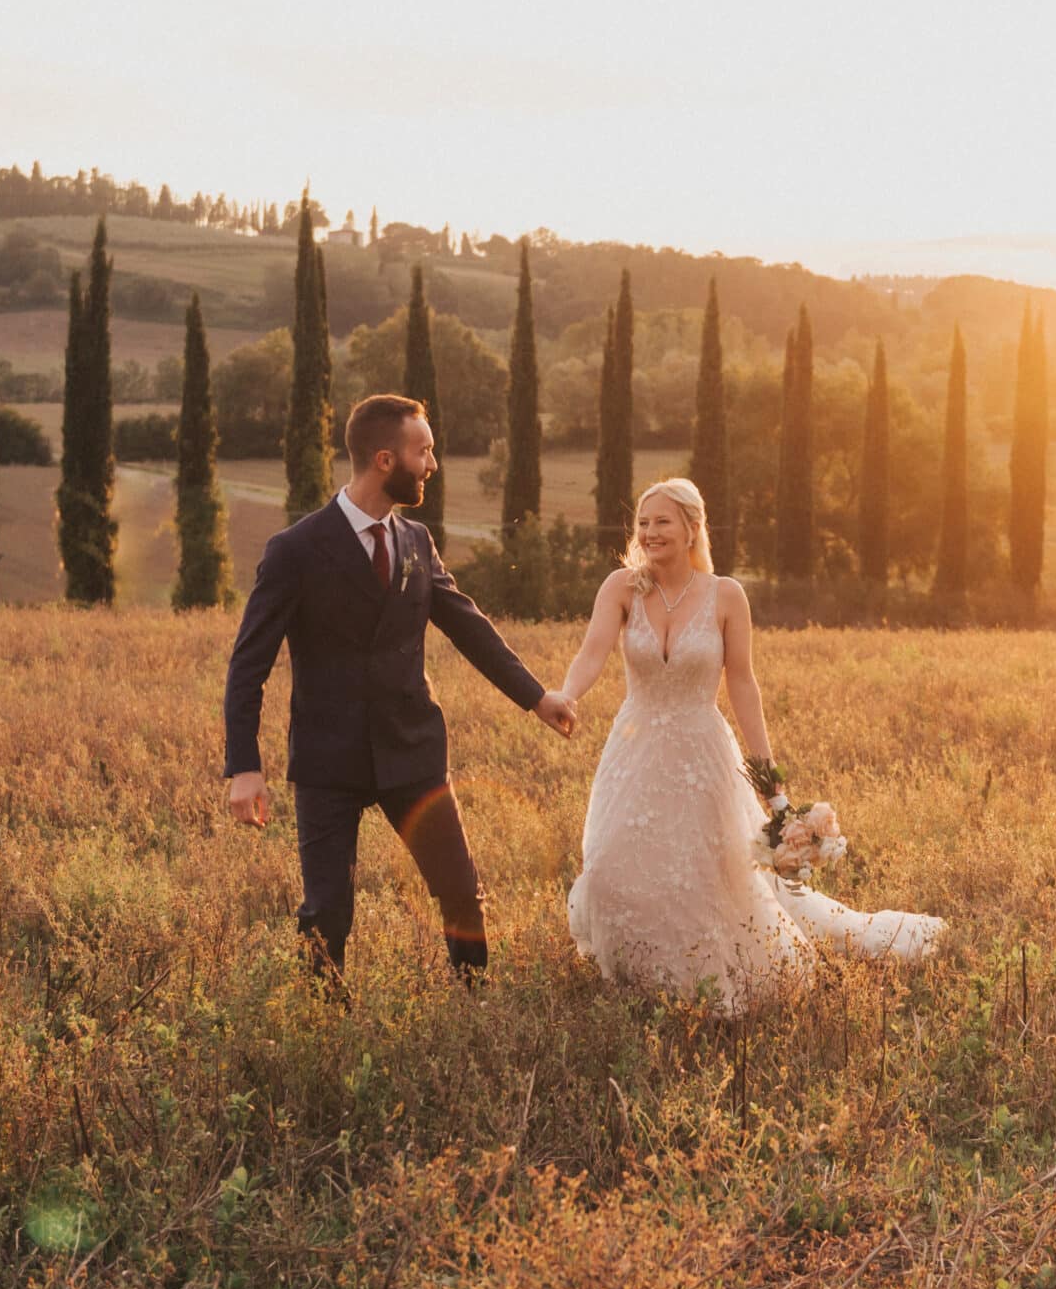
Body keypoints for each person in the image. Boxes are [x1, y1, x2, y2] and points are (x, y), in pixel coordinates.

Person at [223, 393, 577, 985]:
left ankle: (474, 1006)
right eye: (425, 451)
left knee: (462, 893)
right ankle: (324, 1034)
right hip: (327, 758)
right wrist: (244, 766)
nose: (433, 464)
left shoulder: (415, 540)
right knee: (327, 914)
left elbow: (467, 624)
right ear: (386, 460)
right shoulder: (295, 550)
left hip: (412, 749)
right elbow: (247, 665)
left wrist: (537, 697)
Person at [556, 477, 943, 1010]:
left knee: (706, 874)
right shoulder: (622, 588)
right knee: (615, 865)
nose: (649, 533)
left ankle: (705, 983)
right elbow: (592, 652)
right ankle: (637, 976)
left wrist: (768, 777)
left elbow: (742, 683)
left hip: (701, 751)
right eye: (643, 523)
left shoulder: (726, 595)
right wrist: (567, 695)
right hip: (634, 749)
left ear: (692, 527)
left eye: (662, 522)